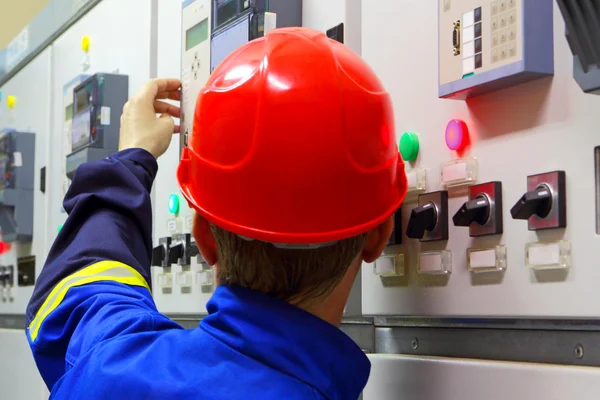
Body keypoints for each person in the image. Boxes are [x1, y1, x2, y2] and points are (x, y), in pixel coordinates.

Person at [26, 27, 407, 399]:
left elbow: (76, 297)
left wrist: (131, 160)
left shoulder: (112, 366)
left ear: (204, 238)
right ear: (379, 234)